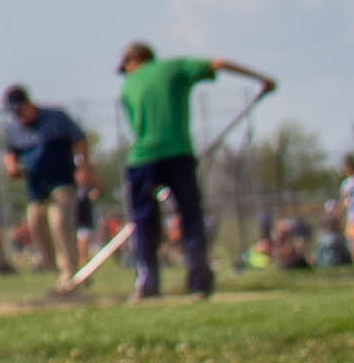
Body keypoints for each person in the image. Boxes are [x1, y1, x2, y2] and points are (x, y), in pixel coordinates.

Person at [111, 40, 269, 304]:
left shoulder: (128, 86)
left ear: (133, 61)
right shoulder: (175, 69)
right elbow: (219, 62)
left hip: (141, 158)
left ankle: (147, 282)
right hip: (178, 153)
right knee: (190, 217)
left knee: (143, 220)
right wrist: (263, 79)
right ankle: (199, 282)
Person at [0, 85, 93, 285]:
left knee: (59, 223)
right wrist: (12, 167)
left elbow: (79, 139)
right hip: (35, 187)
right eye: (13, 112)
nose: (17, 115)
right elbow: (10, 154)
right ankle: (59, 270)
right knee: (36, 226)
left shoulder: (56, 118)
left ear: (28, 103)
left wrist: (82, 165)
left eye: (19, 110)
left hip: (62, 181)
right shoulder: (14, 129)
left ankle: (70, 273)